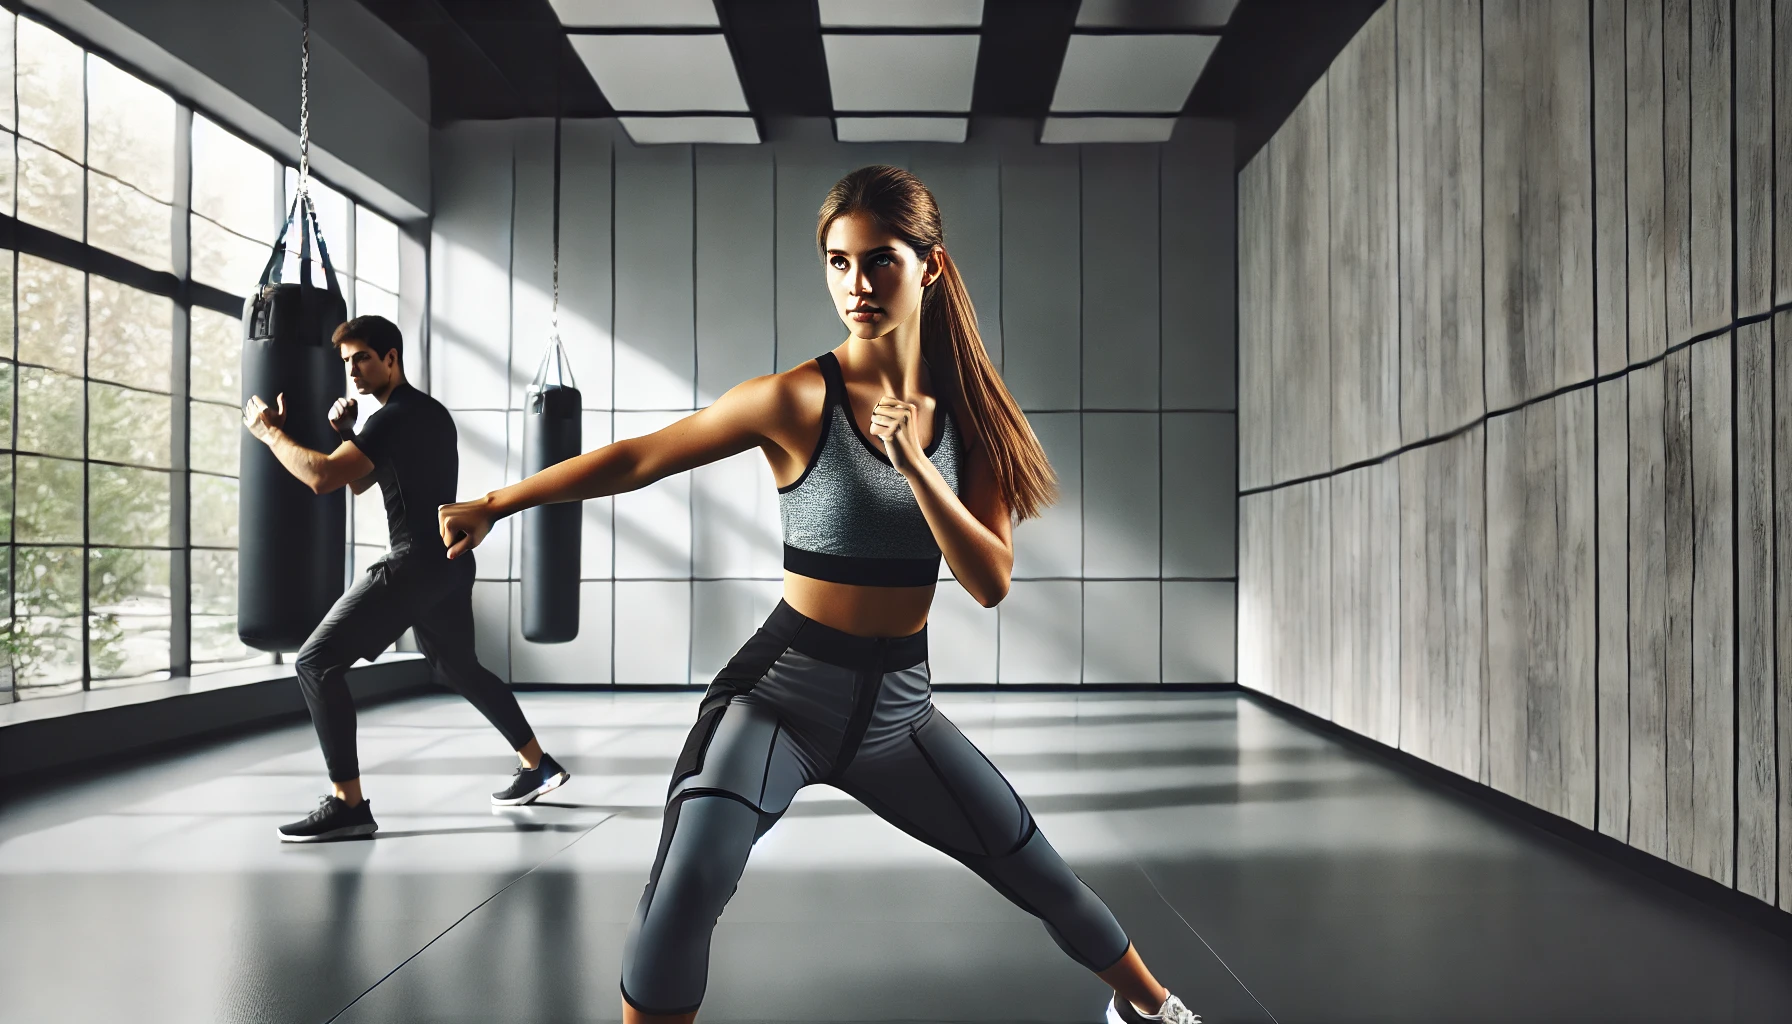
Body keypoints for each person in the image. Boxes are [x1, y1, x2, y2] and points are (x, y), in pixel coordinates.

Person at [437, 167, 1199, 1024]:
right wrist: (497, 503)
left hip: (900, 716)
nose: (858, 285)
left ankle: (1152, 1010)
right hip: (779, 699)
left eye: (880, 262)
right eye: (839, 263)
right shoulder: (799, 398)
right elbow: (643, 456)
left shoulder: (974, 419)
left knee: (1040, 873)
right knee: (688, 883)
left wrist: (915, 465)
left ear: (931, 268)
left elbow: (988, 582)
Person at [243, 315, 571, 843]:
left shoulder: (393, 418)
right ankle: (538, 766)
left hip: (415, 561)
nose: (352, 370)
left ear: (391, 357)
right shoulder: (426, 414)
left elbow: (324, 478)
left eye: (362, 358)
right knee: (457, 665)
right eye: (346, 361)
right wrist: (348, 434)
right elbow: (366, 481)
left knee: (315, 661)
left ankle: (347, 804)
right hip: (448, 561)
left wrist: (269, 434)